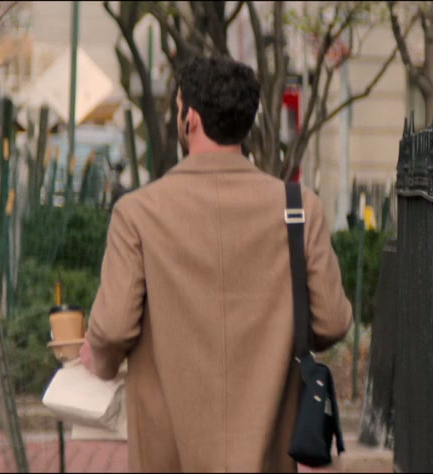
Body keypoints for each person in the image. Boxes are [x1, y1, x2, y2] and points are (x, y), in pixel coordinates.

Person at [78, 56, 353, 472]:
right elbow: (333, 320)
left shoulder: (137, 214)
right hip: (268, 451)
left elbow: (114, 327)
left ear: (189, 118)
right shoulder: (298, 209)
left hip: (169, 455)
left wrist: (98, 360)